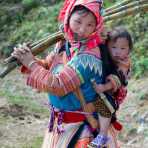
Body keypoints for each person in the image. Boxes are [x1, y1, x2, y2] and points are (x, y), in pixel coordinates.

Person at [11, 0, 119, 147]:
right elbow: (47, 67)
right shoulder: (64, 44)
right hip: (61, 126)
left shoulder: (88, 57)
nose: (82, 30)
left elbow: (59, 85)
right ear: (68, 17)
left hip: (82, 129)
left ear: (97, 26)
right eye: (78, 22)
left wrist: (30, 62)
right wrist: (28, 59)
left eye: (90, 24)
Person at [87, 26, 133, 147]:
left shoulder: (124, 63)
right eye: (113, 47)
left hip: (114, 92)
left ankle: (102, 135)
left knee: (103, 102)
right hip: (103, 88)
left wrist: (103, 87)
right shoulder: (106, 53)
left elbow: (117, 80)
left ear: (129, 50)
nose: (118, 52)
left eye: (123, 48)